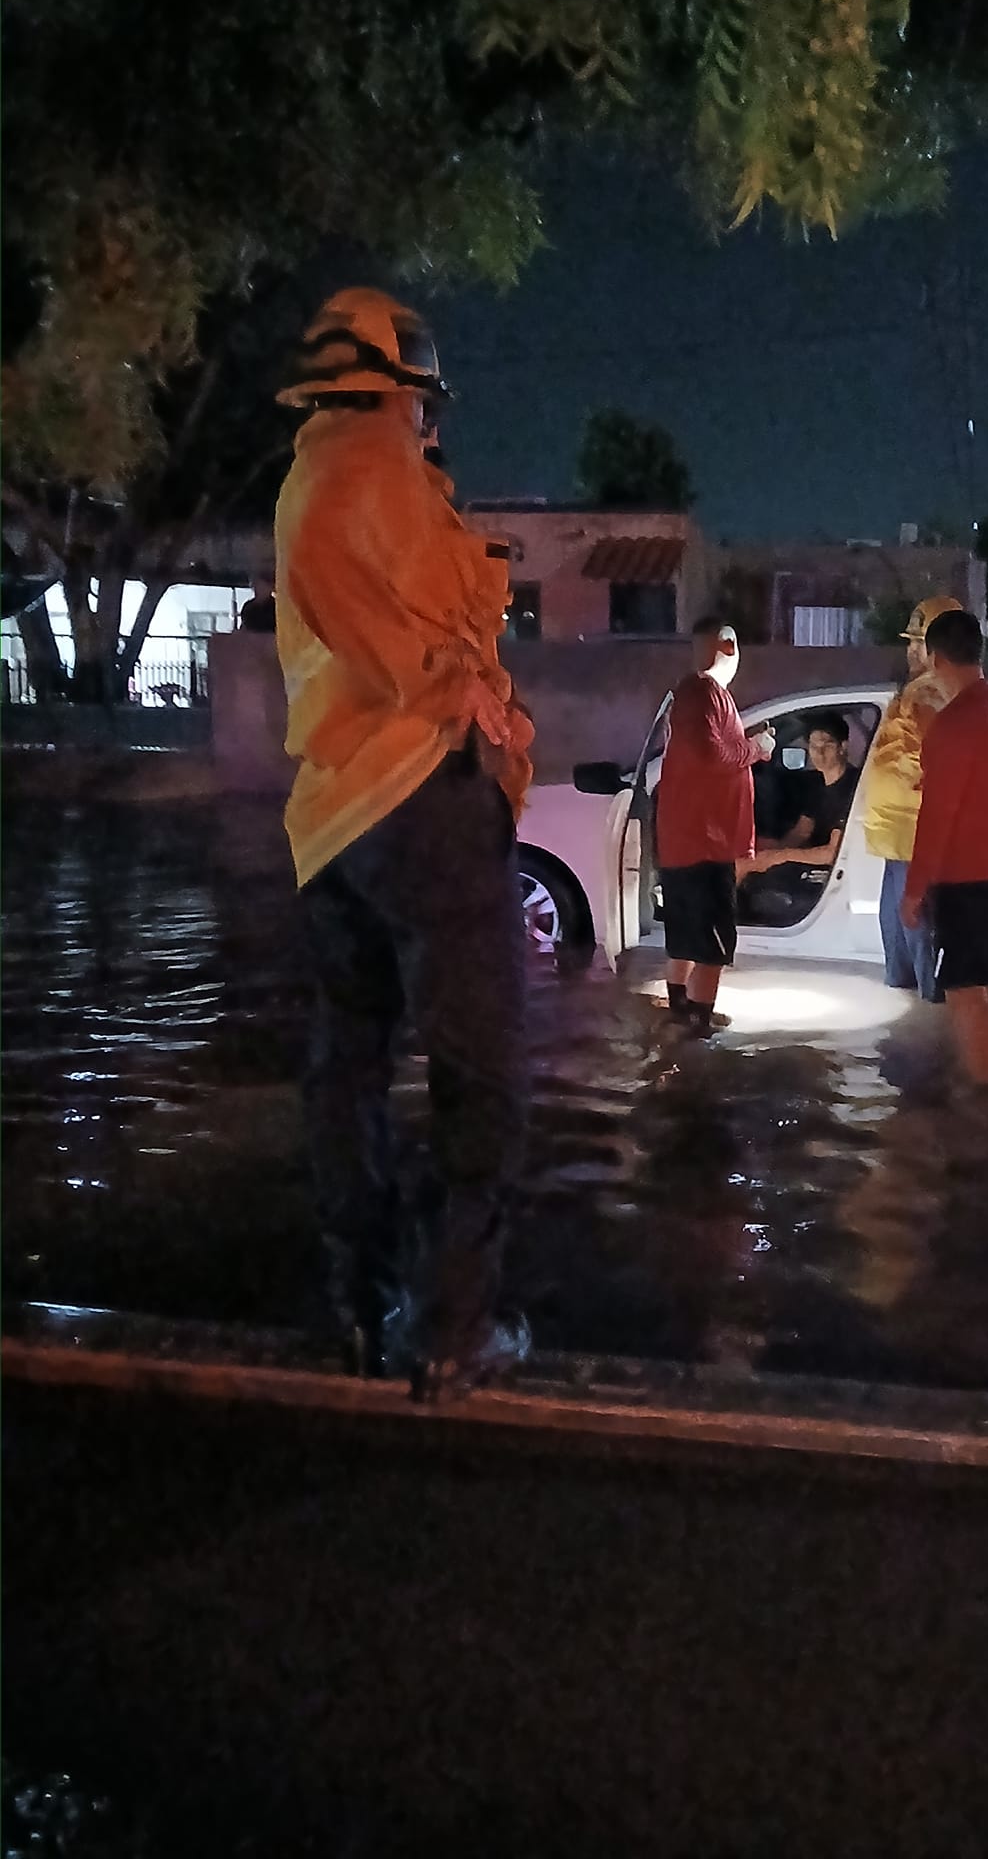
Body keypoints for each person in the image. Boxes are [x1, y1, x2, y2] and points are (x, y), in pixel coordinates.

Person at [273, 286, 535, 1398]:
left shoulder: (305, 477)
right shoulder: (382, 470)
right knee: (482, 1072)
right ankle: (453, 1326)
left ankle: (361, 1310)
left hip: (332, 822)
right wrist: (486, 714)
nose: (431, 422)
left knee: (351, 1071)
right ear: (399, 390)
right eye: (425, 401)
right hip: (424, 795)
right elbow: (439, 650)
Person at [900, 609, 988, 1089]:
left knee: (963, 989)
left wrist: (913, 891)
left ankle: (986, 1099)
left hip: (972, 875)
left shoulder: (954, 724)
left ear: (936, 659)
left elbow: (937, 816)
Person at [654, 617, 773, 1033]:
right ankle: (699, 1025)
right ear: (728, 648)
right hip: (704, 844)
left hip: (688, 842)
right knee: (712, 946)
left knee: (687, 936)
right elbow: (713, 756)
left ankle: (681, 1009)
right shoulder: (705, 695)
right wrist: (757, 748)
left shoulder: (692, 694)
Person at [863, 596, 964, 1000]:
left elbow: (932, 761)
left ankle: (931, 1013)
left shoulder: (935, 692)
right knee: (899, 929)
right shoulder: (918, 690)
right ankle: (912, 1008)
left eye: (919, 642)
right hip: (897, 835)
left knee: (918, 930)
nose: (911, 650)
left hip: (915, 833)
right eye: (911, 642)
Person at [737, 709, 859, 919]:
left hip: (833, 869)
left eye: (827, 745)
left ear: (843, 747)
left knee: (757, 876)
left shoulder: (851, 787)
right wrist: (765, 853)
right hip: (810, 858)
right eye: (813, 746)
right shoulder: (817, 784)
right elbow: (802, 832)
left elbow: (833, 853)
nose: (819, 753)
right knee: (743, 862)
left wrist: (780, 856)